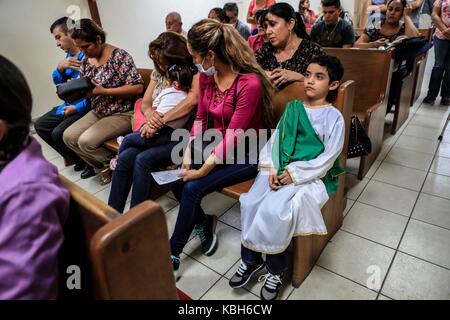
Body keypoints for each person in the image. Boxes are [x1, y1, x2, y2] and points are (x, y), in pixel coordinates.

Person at [229, 55, 345, 301]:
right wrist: (272, 167)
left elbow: (328, 157)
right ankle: (250, 261)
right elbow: (275, 141)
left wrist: (293, 175)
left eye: (319, 76)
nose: (310, 81)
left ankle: (275, 269)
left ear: (333, 85)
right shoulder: (294, 108)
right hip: (278, 167)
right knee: (251, 202)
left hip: (310, 176)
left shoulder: (334, 118)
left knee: (276, 210)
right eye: (308, 74)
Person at [169, 19, 275, 274]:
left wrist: (203, 169)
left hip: (248, 150)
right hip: (218, 145)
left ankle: (171, 253)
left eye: (195, 56)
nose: (194, 62)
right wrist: (187, 150)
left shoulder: (248, 83)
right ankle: (204, 223)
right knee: (176, 178)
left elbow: (235, 134)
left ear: (210, 55)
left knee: (193, 186)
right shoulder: (207, 79)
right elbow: (200, 119)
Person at [0, 55, 70, 299]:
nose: (61, 42)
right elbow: (60, 86)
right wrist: (60, 69)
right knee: (46, 126)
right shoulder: (71, 58)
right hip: (77, 105)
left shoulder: (25, 192)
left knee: (71, 135)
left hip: (93, 108)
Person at [108, 32, 199, 212]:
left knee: (141, 158)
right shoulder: (159, 73)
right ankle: (111, 215)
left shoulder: (192, 72)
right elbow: (146, 102)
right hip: (156, 130)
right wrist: (150, 115)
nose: (160, 66)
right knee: (127, 156)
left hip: (180, 137)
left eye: (163, 62)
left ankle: (136, 217)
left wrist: (158, 122)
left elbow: (192, 101)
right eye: (157, 62)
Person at [63, 19, 144, 184]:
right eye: (80, 48)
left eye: (86, 47)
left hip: (123, 112)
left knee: (86, 142)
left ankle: (120, 165)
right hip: (99, 110)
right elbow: (83, 84)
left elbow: (137, 88)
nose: (83, 52)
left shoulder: (119, 56)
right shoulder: (87, 60)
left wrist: (104, 91)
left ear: (98, 39)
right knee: (68, 137)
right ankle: (106, 166)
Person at [34, 17, 90, 173]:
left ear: (71, 33)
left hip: (87, 105)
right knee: (41, 125)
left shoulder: (88, 56)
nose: (57, 43)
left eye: (58, 37)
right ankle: (75, 158)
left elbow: (94, 91)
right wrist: (59, 69)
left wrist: (76, 108)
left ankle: (88, 164)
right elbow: (59, 85)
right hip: (68, 103)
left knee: (58, 133)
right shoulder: (68, 59)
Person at [255, 2, 324, 88]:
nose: (268, 31)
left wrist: (300, 78)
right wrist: (264, 74)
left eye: (273, 24)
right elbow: (246, 71)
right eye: (266, 27)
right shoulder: (266, 50)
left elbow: (322, 85)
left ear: (290, 24)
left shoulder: (312, 51)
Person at [355, 0, 420, 48]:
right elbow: (357, 45)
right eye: (390, 9)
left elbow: (415, 43)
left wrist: (407, 16)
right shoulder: (374, 25)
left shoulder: (404, 28)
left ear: (402, 13)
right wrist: (373, 44)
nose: (392, 13)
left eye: (397, 10)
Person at [423, 0, 450, 106]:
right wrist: (444, 30)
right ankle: (431, 95)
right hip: (441, 35)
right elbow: (434, 14)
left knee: (449, 68)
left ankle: (446, 96)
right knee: (438, 65)